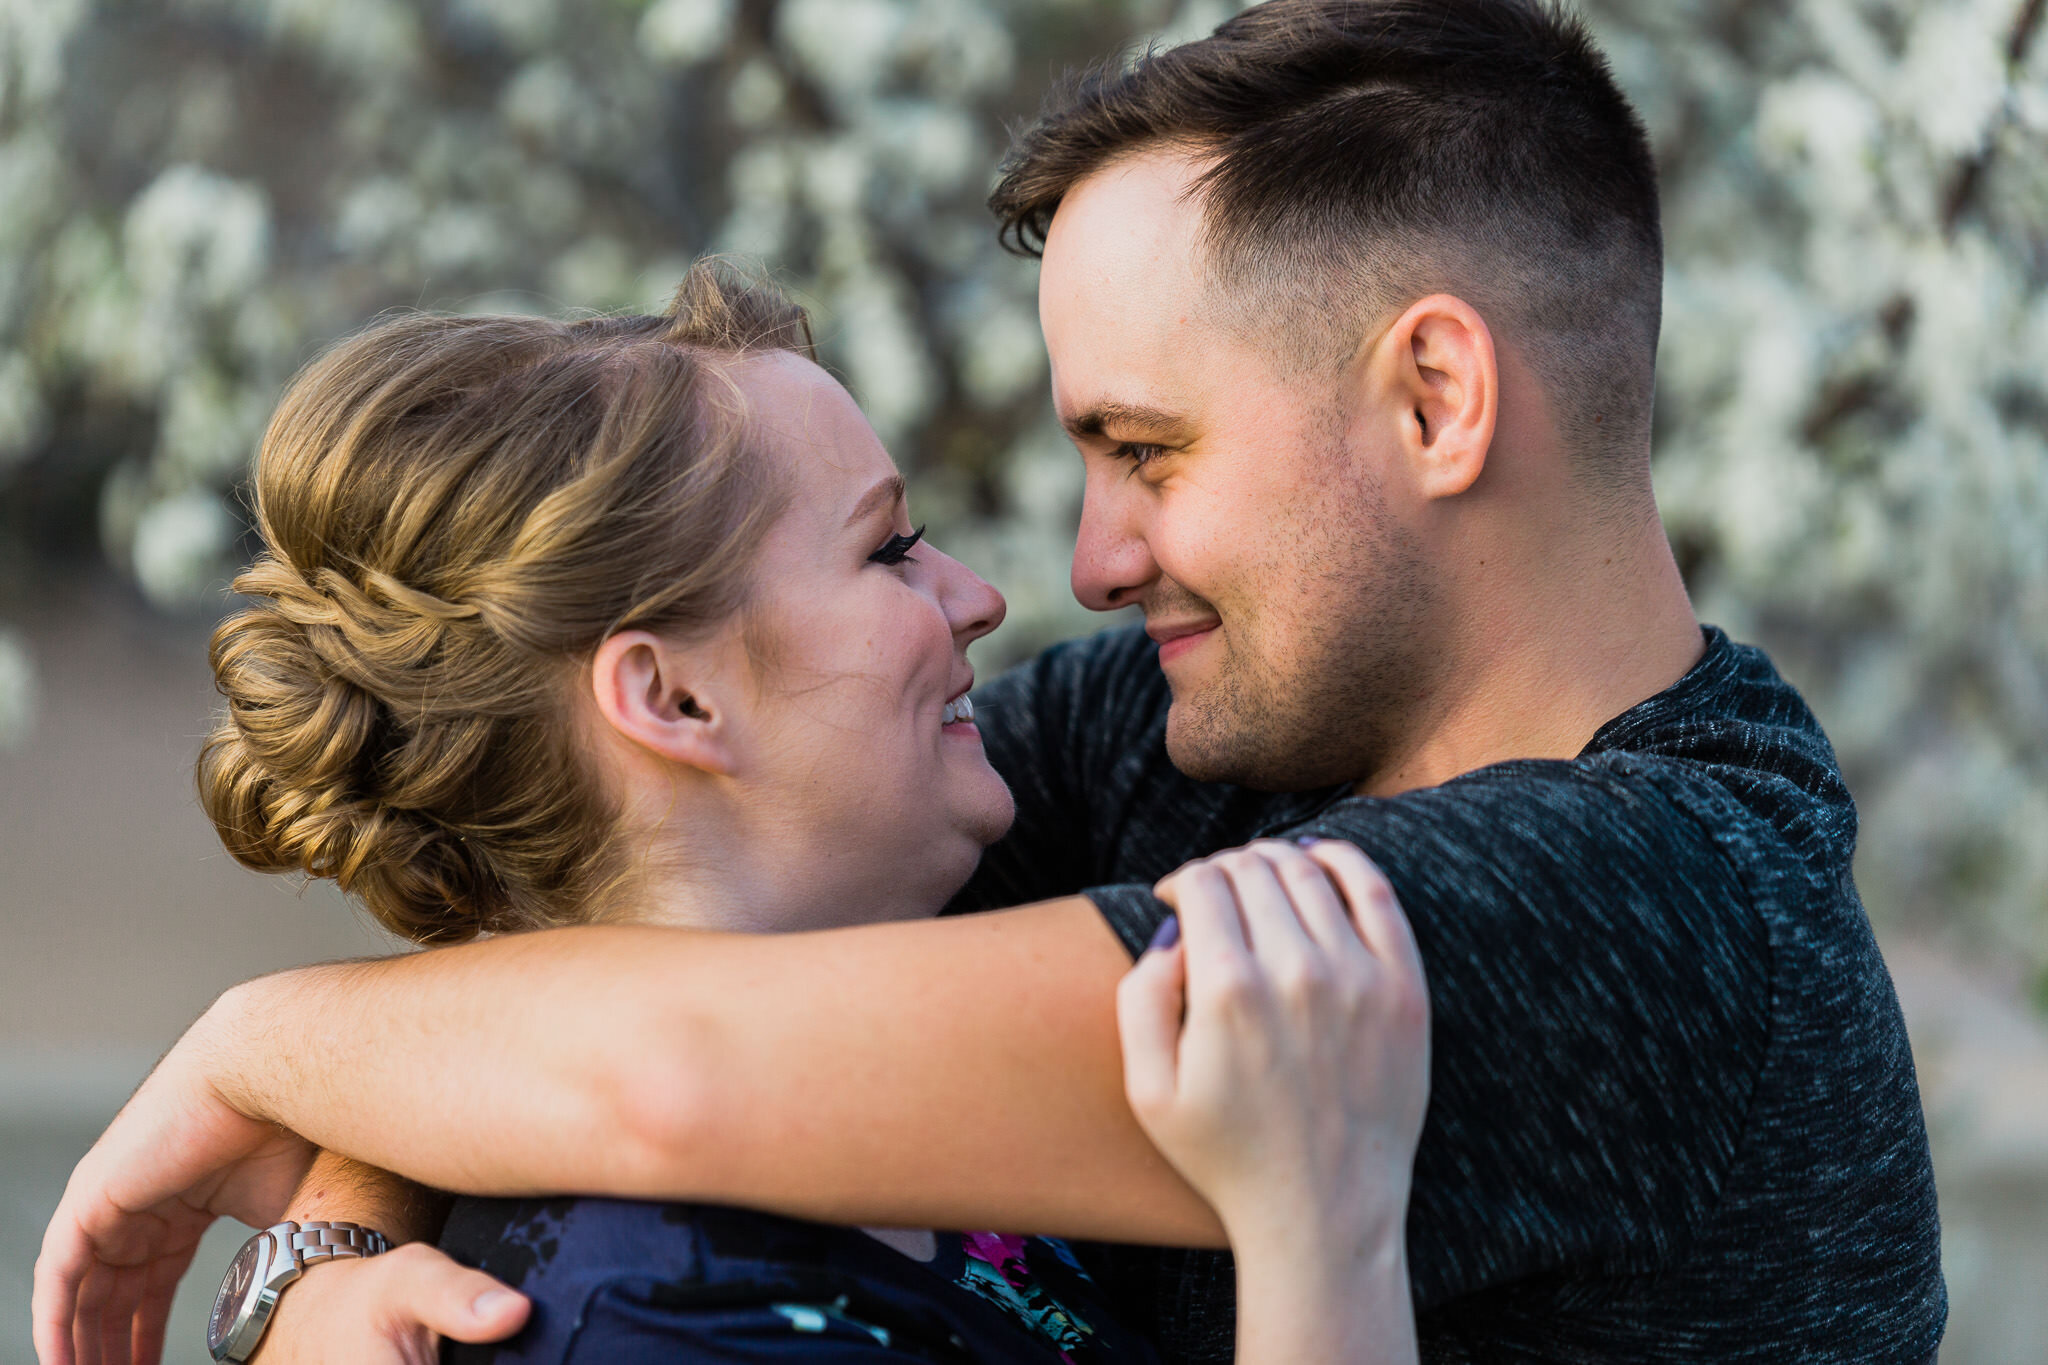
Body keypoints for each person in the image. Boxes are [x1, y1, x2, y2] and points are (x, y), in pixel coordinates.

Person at [37, 0, 1945, 1361]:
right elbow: (662, 902)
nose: (1087, 563)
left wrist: (257, 1041)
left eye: (1151, 449)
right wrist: (323, 1258)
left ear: (1436, 400)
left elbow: (675, 1074)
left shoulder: (1650, 912)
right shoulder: (1200, 736)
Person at [44, 264, 1429, 1365]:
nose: (981, 594)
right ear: (674, 697)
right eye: (886, 547)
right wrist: (1328, 1246)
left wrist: (288, 1108)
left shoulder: (864, 1089)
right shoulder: (660, 1321)